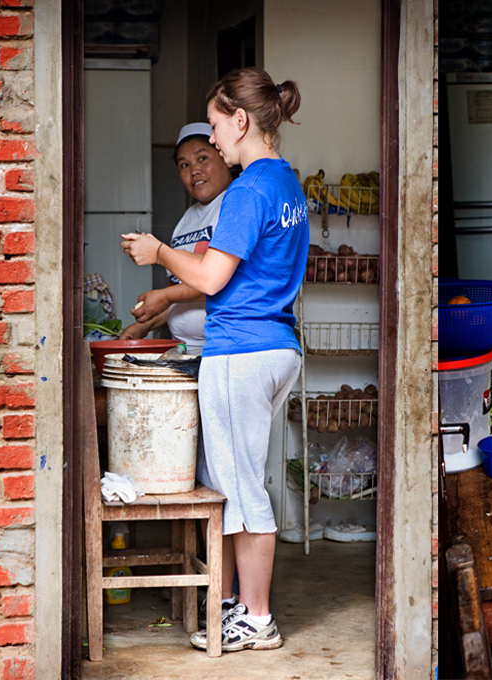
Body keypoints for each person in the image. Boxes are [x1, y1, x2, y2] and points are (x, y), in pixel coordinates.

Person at [121, 67, 307, 653]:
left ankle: (255, 616)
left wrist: (158, 252)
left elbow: (209, 275)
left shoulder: (249, 189)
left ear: (242, 120)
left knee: (239, 488)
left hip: (241, 351)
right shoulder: (287, 184)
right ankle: (239, 605)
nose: (215, 140)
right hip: (277, 346)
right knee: (241, 478)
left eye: (219, 125)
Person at [119, 122, 234, 354]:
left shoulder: (234, 205)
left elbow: (219, 279)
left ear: (224, 157)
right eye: (184, 165)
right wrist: (144, 325)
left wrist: (163, 294)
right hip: (187, 352)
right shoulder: (187, 219)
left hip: (221, 351)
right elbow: (179, 288)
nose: (194, 171)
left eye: (202, 158)